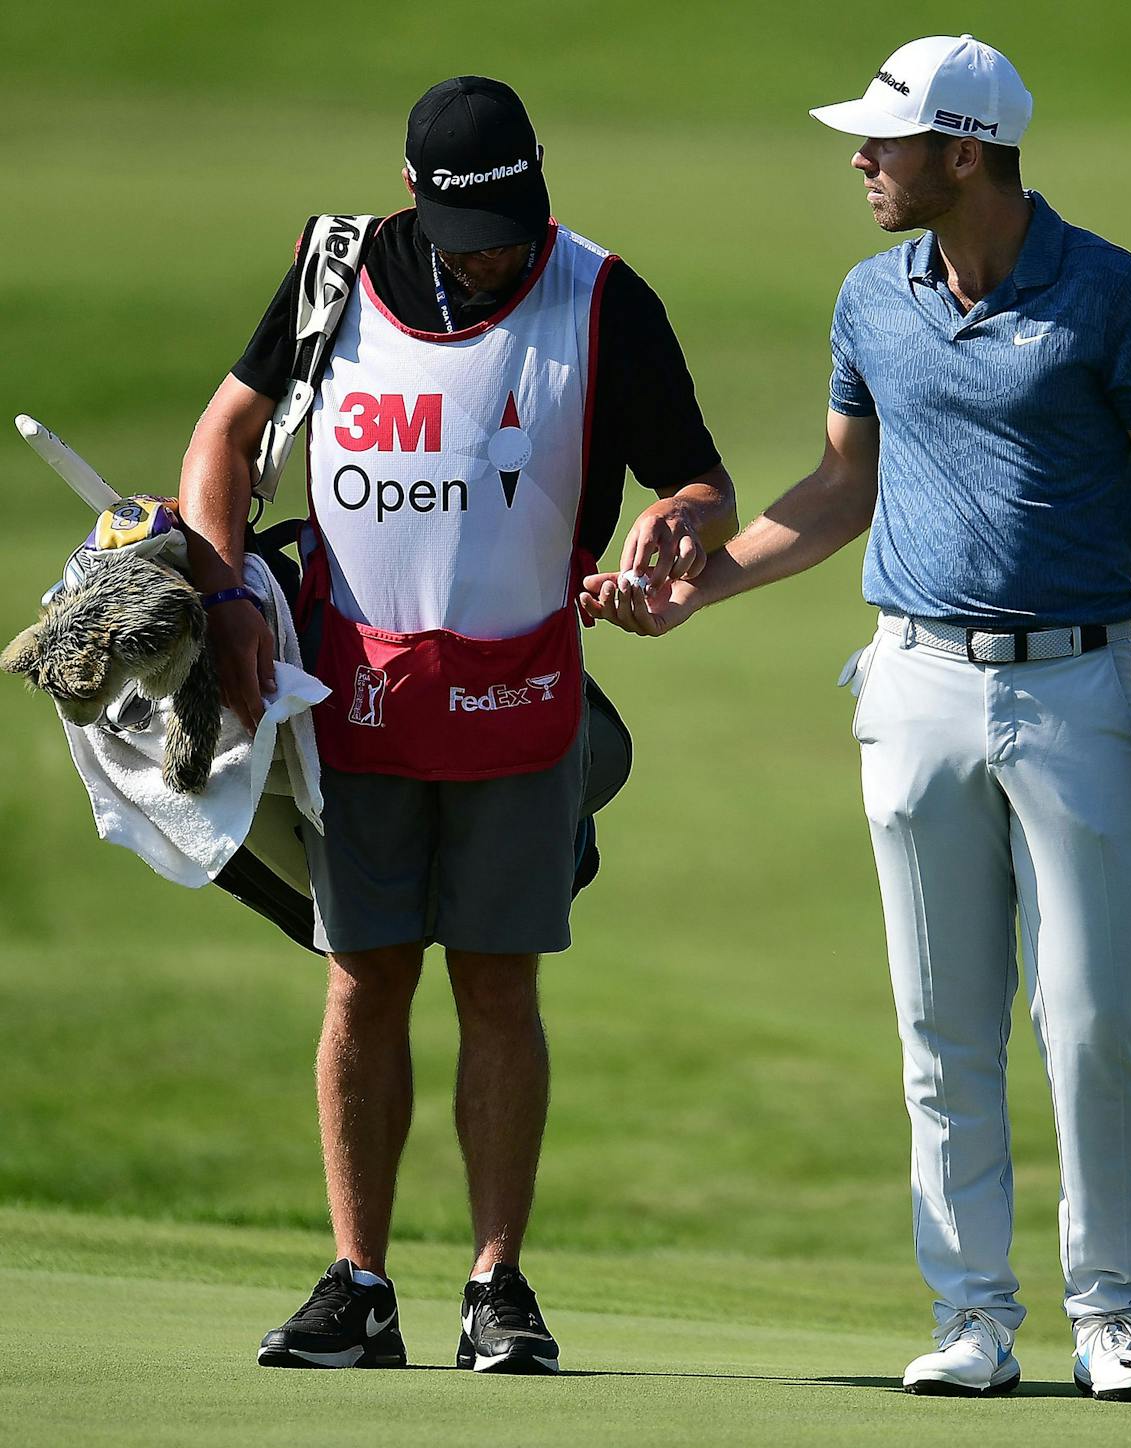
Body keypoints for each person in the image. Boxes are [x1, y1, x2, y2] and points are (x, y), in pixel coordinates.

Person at [583, 35, 1131, 1403]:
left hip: (1076, 684)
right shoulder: (872, 304)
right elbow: (837, 493)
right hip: (916, 682)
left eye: (885, 141)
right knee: (941, 1025)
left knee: (1096, 1013)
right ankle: (973, 1317)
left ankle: (1112, 1314)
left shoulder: (1110, 296)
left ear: (966, 152)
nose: (860, 162)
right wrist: (701, 593)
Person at [179, 75, 736, 1373]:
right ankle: (359, 1283)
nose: (495, 262)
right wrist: (221, 597)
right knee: (365, 978)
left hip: (520, 699)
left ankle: (497, 1286)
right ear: (416, 200)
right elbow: (225, 436)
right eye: (471, 236)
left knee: (498, 980)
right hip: (351, 694)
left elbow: (696, 480)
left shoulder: (600, 295)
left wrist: (675, 531)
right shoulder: (336, 272)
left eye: (513, 228)